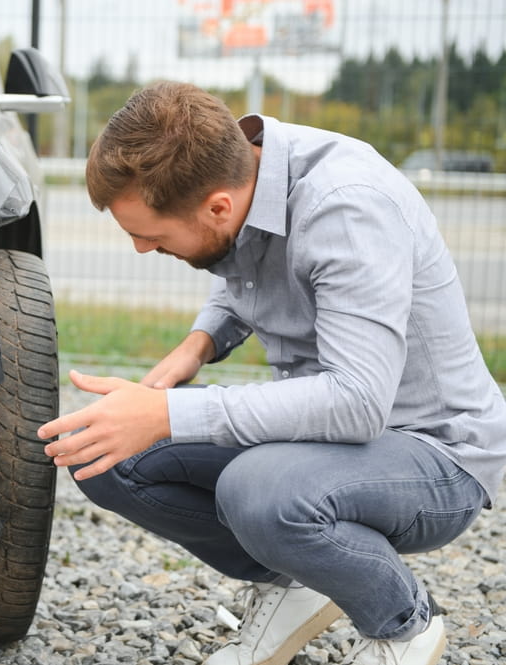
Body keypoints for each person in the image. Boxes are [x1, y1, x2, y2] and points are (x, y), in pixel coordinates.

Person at [37, 81, 506, 665]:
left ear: (217, 207)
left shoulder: (346, 208)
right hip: (320, 437)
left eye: (150, 236)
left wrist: (167, 414)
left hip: (432, 450)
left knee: (258, 489)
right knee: (99, 451)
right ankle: (295, 583)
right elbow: (244, 267)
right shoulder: (248, 174)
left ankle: (403, 624)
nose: (137, 248)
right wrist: (199, 343)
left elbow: (357, 403)